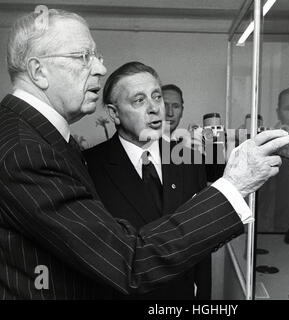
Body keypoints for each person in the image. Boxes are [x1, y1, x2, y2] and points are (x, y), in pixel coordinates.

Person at [0, 8, 289, 299]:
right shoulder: (27, 153)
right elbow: (127, 261)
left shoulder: (31, 138)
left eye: (157, 97)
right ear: (38, 71)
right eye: (83, 57)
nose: (100, 67)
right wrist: (236, 185)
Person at [84, 62, 211, 299]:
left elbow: (200, 243)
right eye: (139, 101)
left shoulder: (190, 160)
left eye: (157, 97)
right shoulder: (89, 166)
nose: (155, 109)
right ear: (114, 113)